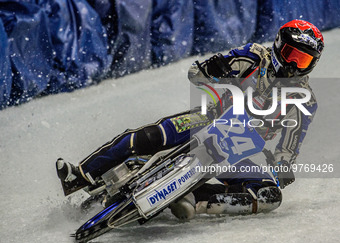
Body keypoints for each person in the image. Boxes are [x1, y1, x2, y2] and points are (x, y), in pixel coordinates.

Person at [56, 20, 324, 220]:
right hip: (209, 118)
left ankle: (193, 197)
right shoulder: (253, 55)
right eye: (291, 55)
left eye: (303, 60)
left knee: (269, 194)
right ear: (278, 46)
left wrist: (282, 167)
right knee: (155, 135)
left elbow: (289, 146)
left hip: (238, 149)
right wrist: (213, 69)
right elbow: (196, 73)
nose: (293, 65)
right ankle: (81, 174)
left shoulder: (304, 100)